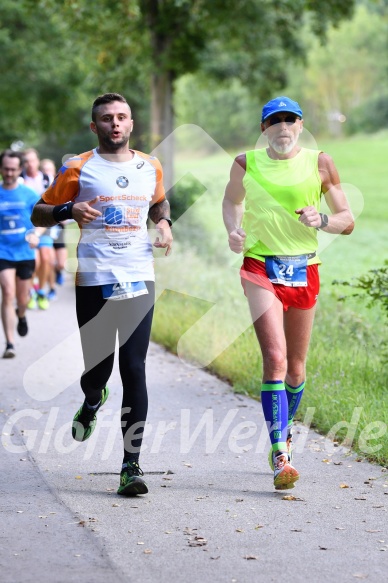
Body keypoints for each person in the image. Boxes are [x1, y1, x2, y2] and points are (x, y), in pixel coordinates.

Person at [31, 92, 173, 496]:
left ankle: (131, 465)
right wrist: (67, 211)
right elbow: (38, 212)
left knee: (134, 367)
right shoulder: (79, 167)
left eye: (122, 117)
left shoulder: (151, 166)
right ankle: (92, 400)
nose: (115, 123)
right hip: (93, 280)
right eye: (107, 118)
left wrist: (163, 225)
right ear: (95, 127)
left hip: (138, 278)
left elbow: (159, 204)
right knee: (98, 371)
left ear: (131, 125)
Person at [223, 96, 354, 490]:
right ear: (264, 128)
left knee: (296, 368)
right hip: (260, 265)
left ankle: (285, 429)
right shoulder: (246, 162)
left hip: (304, 268)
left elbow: (346, 220)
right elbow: (232, 201)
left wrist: (323, 219)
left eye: (290, 120)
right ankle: (280, 453)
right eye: (274, 120)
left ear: (300, 125)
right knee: (276, 359)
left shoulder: (320, 162)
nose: (282, 126)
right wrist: (233, 228)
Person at [0, 150, 41, 358]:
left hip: (25, 252)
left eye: (13, 169)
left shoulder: (29, 195)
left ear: (19, 170)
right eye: (5, 169)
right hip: (3, 251)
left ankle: (21, 314)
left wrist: (37, 235)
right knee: (8, 292)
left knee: (21, 299)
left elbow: (45, 219)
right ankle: (9, 343)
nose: (9, 173)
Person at [22, 148, 53, 309]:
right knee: (35, 261)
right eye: (26, 161)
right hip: (27, 226)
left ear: (37, 161)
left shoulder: (47, 178)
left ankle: (41, 291)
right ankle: (32, 289)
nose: (30, 164)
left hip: (44, 223)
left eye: (32, 160)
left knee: (46, 258)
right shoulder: (20, 179)